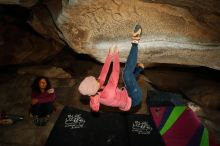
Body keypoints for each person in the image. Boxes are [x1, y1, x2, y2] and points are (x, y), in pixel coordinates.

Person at [78, 24, 144, 112]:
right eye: (95, 81)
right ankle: (135, 42)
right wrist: (116, 54)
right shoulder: (107, 94)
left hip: (124, 93)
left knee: (128, 80)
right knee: (126, 74)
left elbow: (104, 73)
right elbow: (115, 72)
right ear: (94, 88)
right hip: (134, 99)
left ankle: (139, 69)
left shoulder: (94, 90)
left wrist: (109, 55)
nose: (97, 80)